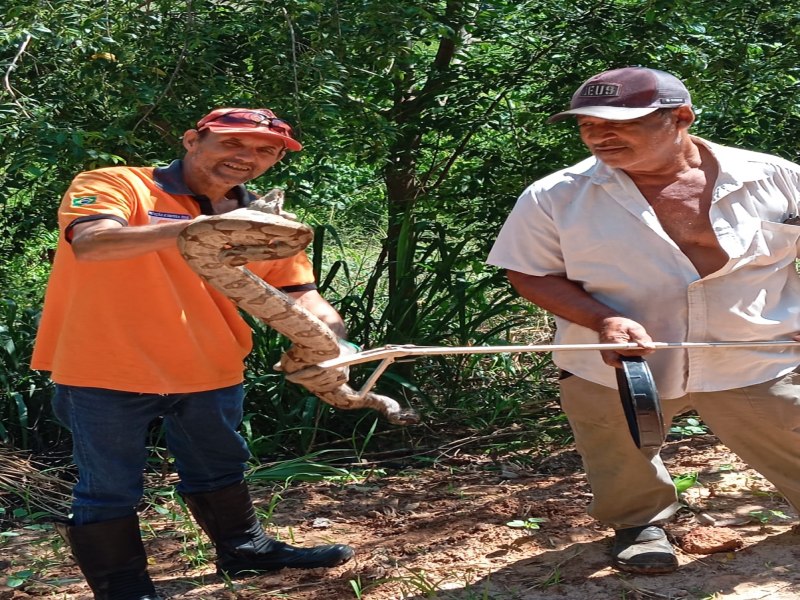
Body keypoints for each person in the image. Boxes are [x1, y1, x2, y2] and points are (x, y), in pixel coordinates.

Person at [31, 108, 355, 600]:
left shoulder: (267, 225)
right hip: (104, 368)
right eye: (233, 143)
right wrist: (203, 231)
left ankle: (244, 549)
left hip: (211, 366)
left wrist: (334, 344)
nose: (247, 158)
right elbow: (94, 244)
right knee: (109, 486)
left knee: (220, 466)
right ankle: (123, 588)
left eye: (265, 150)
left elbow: (301, 294)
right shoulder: (118, 184)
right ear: (191, 140)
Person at [487, 67, 800, 574]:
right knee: (618, 449)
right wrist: (603, 320)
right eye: (588, 125)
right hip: (616, 358)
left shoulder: (775, 177)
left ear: (680, 118)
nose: (599, 135)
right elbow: (528, 273)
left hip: (750, 349)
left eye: (620, 122)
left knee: (791, 429)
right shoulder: (555, 196)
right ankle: (639, 524)